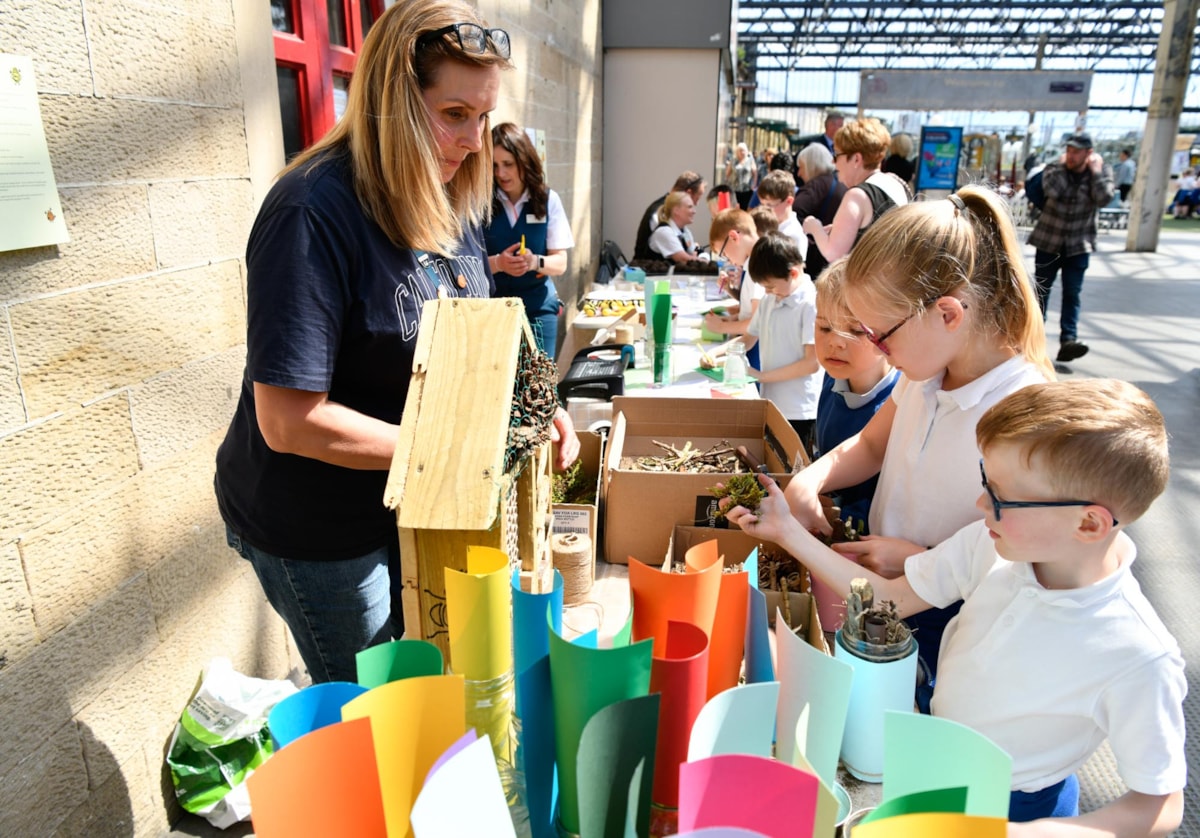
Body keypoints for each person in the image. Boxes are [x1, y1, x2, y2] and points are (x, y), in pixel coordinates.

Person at [213, 0, 578, 685]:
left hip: (418, 498)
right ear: (391, 102)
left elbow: (480, 327)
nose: (475, 141)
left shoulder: (448, 196)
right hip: (323, 528)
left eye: (484, 117)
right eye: (453, 114)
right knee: (385, 708)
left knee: (436, 680)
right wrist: (461, 453)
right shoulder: (310, 213)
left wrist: (531, 405)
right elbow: (289, 421)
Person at [728, 379, 1185, 832]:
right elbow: (891, 599)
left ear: (1088, 523)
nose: (980, 502)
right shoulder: (992, 546)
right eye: (986, 481)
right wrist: (787, 531)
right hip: (933, 756)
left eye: (1002, 498)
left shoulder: (1139, 655)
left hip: (1017, 808)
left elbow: (1160, 804)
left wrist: (1029, 832)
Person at [783, 187, 1054, 695]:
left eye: (881, 334)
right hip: (886, 600)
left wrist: (920, 559)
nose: (878, 349)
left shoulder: (1024, 411)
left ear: (949, 314)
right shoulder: (925, 370)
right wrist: (811, 478)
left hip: (951, 626)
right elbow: (870, 447)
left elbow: (1030, 561)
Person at [812, 258, 898, 527]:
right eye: (825, 327)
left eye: (856, 331)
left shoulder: (901, 402)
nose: (835, 342)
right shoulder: (833, 376)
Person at [484, 122, 575, 356]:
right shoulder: (481, 202)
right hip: (494, 311)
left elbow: (561, 263)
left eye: (508, 164)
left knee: (539, 385)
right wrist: (499, 263)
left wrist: (535, 262)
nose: (500, 174)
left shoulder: (547, 200)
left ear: (524, 160)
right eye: (494, 165)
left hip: (538, 309)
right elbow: (468, 264)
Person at [1027, 132, 1114, 366]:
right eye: (1069, 150)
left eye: (1077, 151)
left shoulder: (1101, 173)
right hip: (1049, 241)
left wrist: (1095, 173)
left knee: (1072, 293)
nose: (1071, 155)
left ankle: (1068, 341)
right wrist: (1066, 167)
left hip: (1079, 244)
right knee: (1041, 292)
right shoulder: (1056, 169)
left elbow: (1105, 197)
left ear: (1089, 153)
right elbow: (1054, 191)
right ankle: (1033, 340)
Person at [741, 232, 822, 450]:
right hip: (772, 403)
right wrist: (718, 354)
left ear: (793, 273)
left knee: (793, 467)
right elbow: (749, 338)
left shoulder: (810, 304)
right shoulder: (770, 299)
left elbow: (811, 363)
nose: (766, 292)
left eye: (770, 286)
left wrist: (762, 376)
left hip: (800, 409)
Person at [802, 117, 909, 264]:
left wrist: (814, 226)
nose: (833, 162)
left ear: (856, 159)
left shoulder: (857, 195)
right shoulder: (894, 183)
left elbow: (833, 252)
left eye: (837, 155)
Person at [792, 142, 847, 281]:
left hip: (814, 262)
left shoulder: (814, 188)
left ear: (811, 165)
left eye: (801, 167)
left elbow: (794, 214)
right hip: (835, 262)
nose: (799, 173)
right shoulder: (841, 184)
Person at [632, 171, 707, 261]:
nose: (696, 205)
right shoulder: (661, 218)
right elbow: (681, 256)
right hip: (649, 270)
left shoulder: (682, 228)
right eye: (696, 199)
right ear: (688, 193)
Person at [756, 170, 807, 260]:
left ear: (789, 201)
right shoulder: (767, 226)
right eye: (762, 204)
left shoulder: (793, 235)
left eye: (769, 205)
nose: (764, 210)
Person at [647, 190, 701, 264]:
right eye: (689, 207)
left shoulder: (685, 232)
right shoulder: (664, 231)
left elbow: (693, 253)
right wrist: (709, 263)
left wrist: (700, 256)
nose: (694, 211)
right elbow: (684, 259)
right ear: (676, 210)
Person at [732, 142, 758, 210]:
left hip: (747, 189)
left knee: (746, 208)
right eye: (740, 150)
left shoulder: (750, 160)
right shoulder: (734, 161)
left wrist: (754, 185)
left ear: (746, 151)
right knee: (736, 208)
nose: (742, 152)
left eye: (743, 150)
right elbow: (727, 173)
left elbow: (755, 173)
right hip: (736, 189)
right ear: (737, 152)